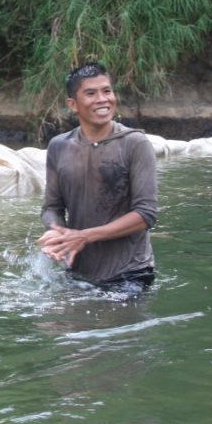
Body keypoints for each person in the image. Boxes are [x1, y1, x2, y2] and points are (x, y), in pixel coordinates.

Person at [37, 62, 158, 290]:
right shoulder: (58, 146)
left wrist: (83, 236)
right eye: (91, 93)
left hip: (130, 274)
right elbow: (51, 208)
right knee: (52, 324)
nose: (102, 99)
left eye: (107, 91)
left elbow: (146, 214)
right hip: (78, 272)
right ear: (72, 104)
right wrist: (58, 234)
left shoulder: (135, 143)